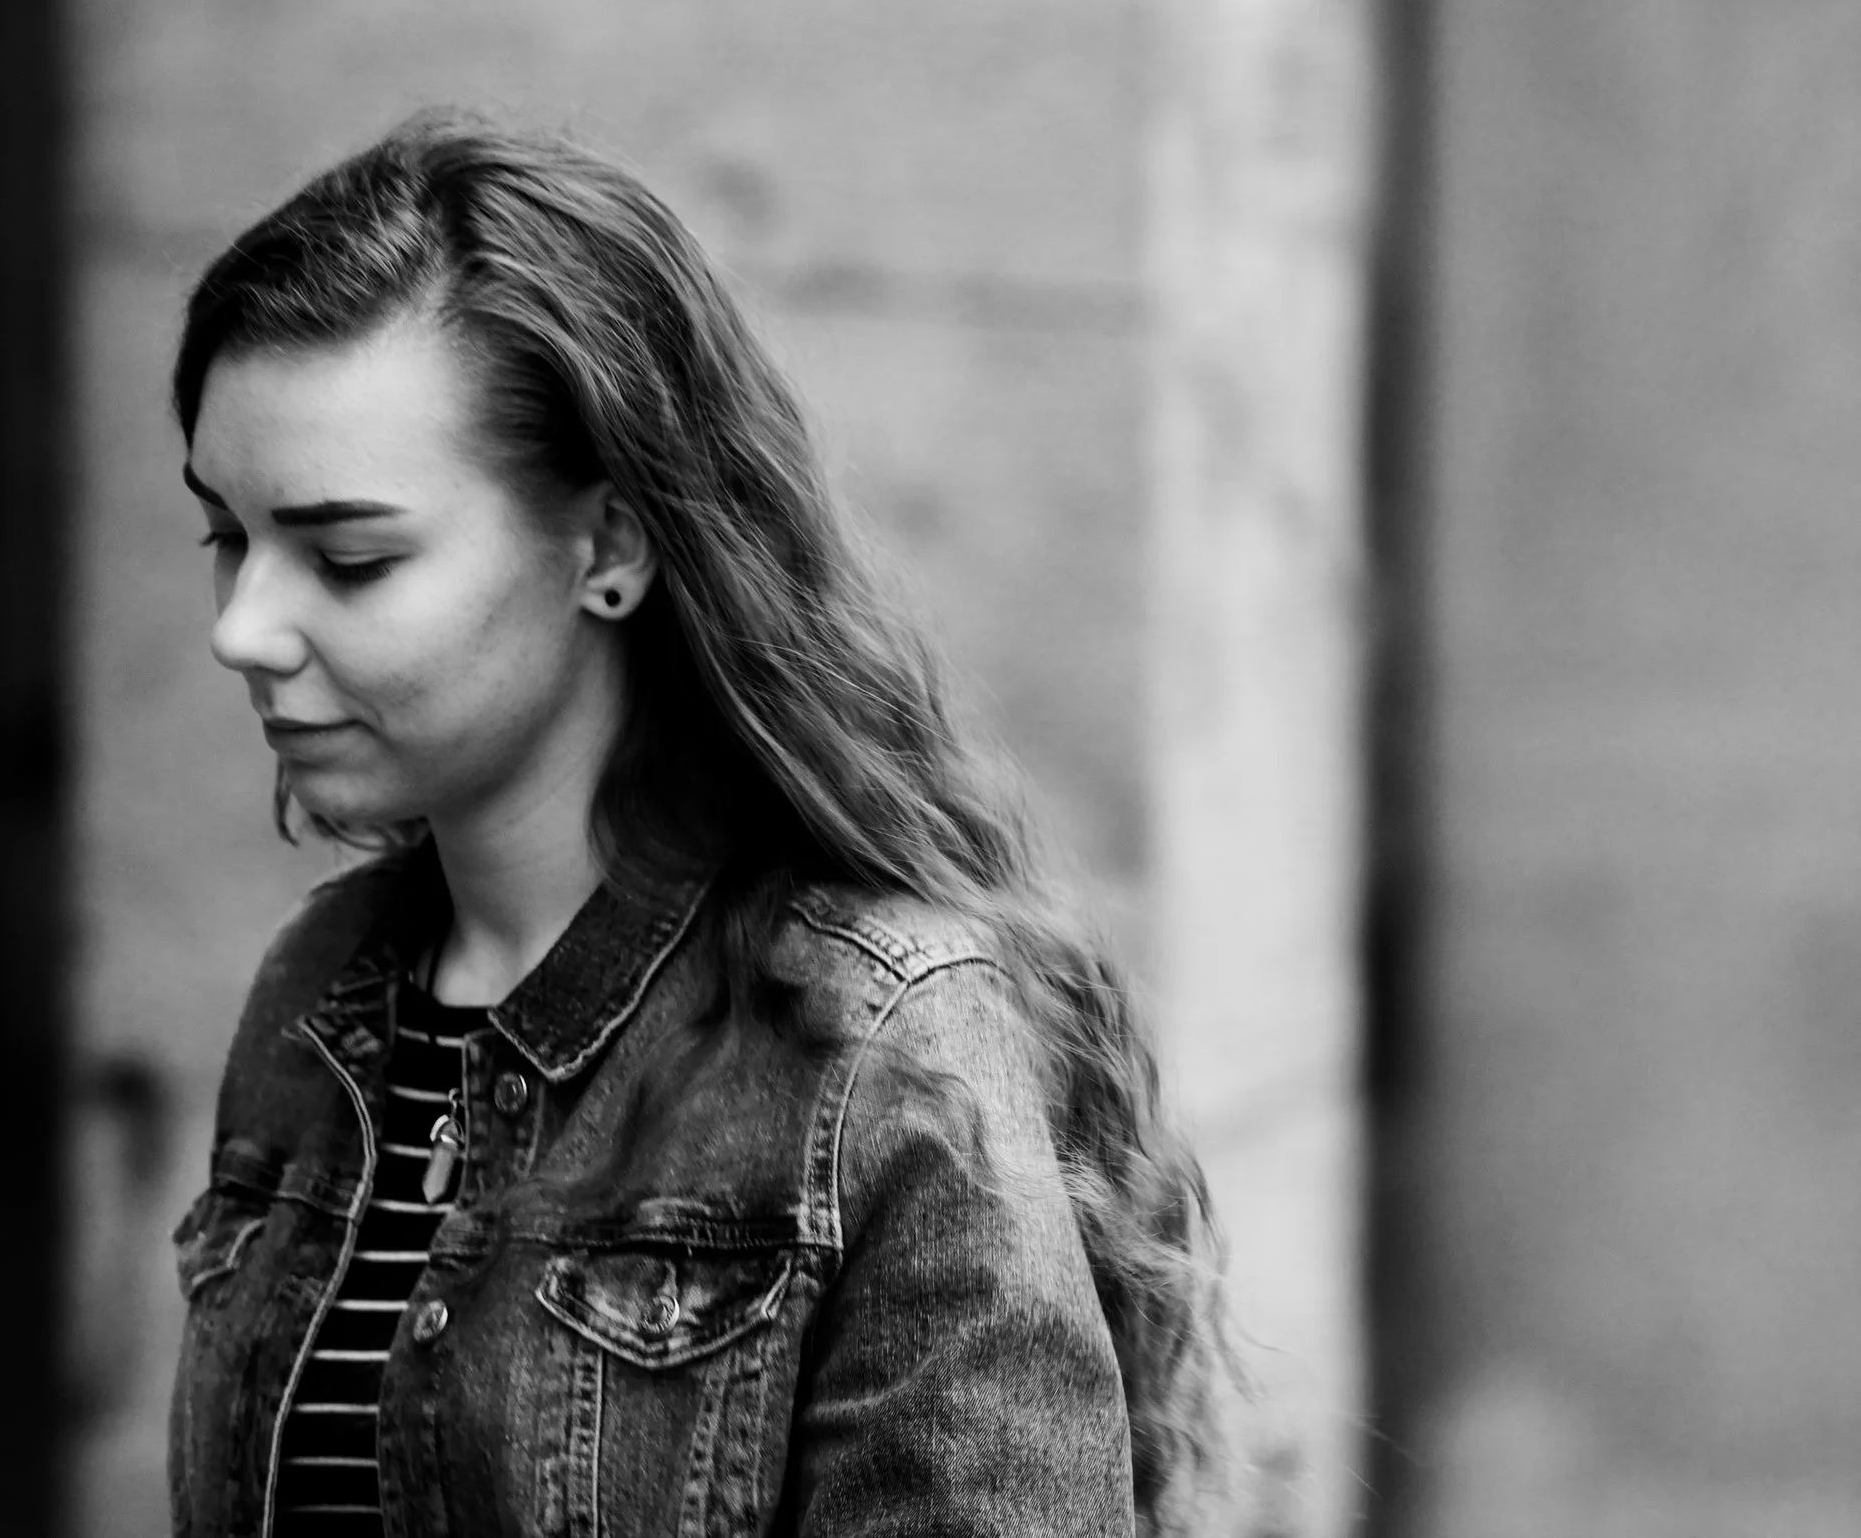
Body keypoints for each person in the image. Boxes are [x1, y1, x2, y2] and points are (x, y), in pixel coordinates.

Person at [165, 112, 1227, 1537]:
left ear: (608, 545)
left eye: (349, 559)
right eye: (227, 536)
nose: (243, 628)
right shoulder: (319, 988)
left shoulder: (883, 1054)